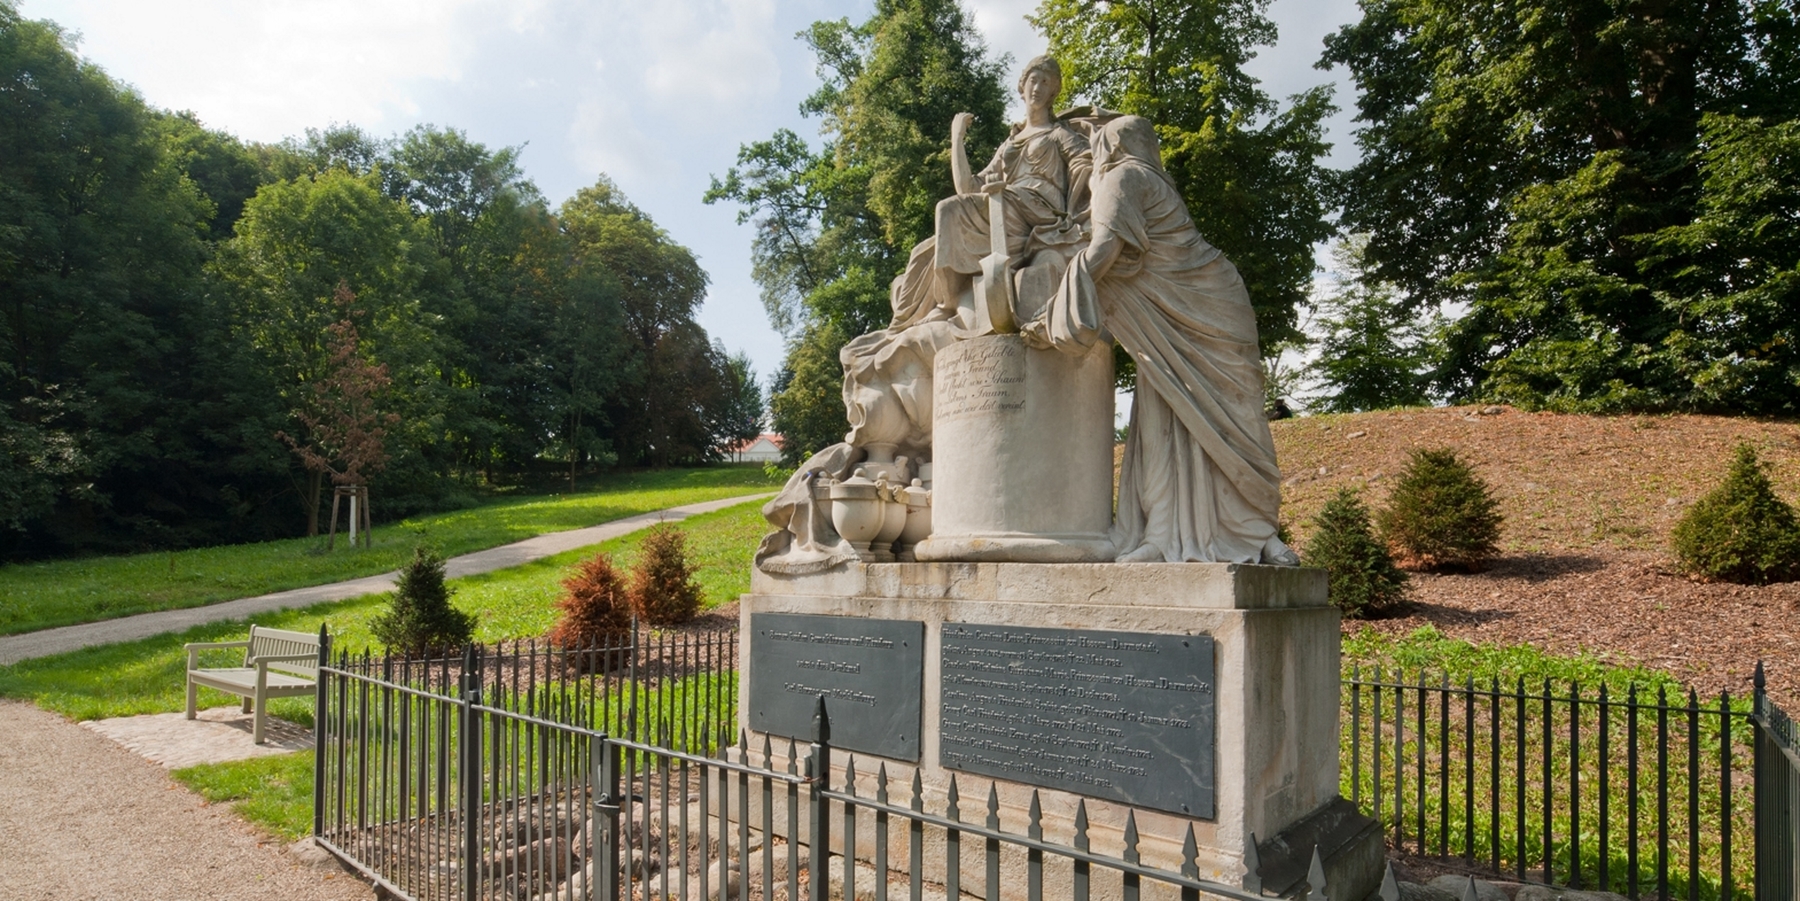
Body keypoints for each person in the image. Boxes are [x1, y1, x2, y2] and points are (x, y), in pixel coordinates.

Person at [1022, 116, 1299, 566]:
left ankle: (1252, 535)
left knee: (1221, 421)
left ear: (1107, 147)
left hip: (1197, 309)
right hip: (1214, 301)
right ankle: (1168, 532)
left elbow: (1104, 251)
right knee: (1197, 421)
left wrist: (1051, 313)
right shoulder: (1151, 179)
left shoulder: (1121, 177)